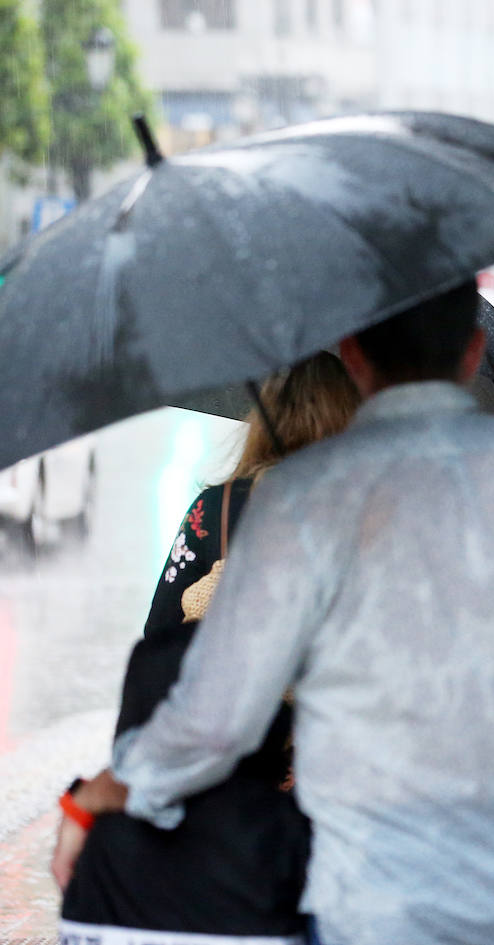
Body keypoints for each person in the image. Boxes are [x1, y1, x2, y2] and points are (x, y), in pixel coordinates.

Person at [52, 280, 494, 945]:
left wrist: (101, 794)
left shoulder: (304, 496)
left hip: (377, 899)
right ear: (474, 348)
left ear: (353, 357)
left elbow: (214, 717)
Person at [59, 352, 361, 943]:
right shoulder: (374, 510)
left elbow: (160, 650)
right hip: (341, 795)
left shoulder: (215, 514)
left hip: (230, 804)